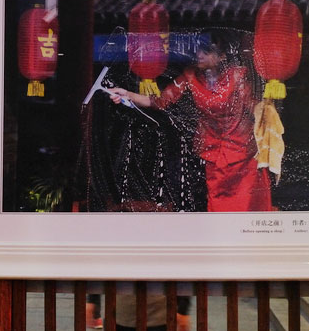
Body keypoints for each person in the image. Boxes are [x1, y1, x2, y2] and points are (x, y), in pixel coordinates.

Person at [109, 29, 272, 211]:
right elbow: (159, 101)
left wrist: (270, 111)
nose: (199, 55)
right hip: (213, 154)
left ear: (222, 56)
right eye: (198, 50)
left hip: (243, 156)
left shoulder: (237, 76)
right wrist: (127, 94)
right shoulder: (190, 76)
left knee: (245, 209)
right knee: (218, 209)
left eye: (206, 51)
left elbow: (254, 107)